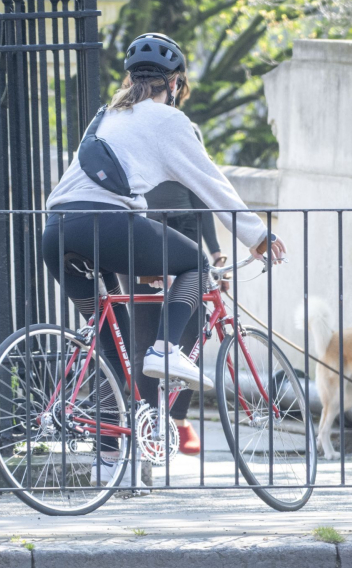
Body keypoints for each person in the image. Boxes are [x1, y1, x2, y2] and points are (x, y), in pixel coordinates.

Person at [42, 32, 286, 482]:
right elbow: (212, 184)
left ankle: (112, 461)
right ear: (173, 84)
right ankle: (168, 349)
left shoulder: (106, 115)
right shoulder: (169, 120)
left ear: (131, 79)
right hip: (106, 225)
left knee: (111, 347)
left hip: (56, 232)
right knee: (197, 263)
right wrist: (256, 234)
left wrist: (146, 262)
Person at [119, 124, 230, 456]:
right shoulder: (128, 125)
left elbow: (200, 191)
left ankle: (176, 418)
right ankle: (150, 423)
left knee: (195, 328)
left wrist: (214, 251)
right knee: (145, 334)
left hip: (183, 229)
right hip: (141, 229)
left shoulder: (186, 127)